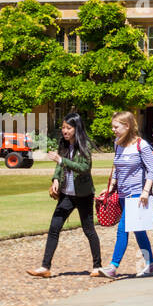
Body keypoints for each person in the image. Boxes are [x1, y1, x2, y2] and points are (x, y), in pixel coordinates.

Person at [27, 112, 104, 278]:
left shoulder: (84, 147)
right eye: (63, 127)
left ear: (76, 128)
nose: (65, 131)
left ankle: (98, 266)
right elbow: (59, 167)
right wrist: (55, 179)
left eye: (68, 128)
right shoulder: (63, 144)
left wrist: (61, 161)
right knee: (54, 228)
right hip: (67, 195)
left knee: (89, 230)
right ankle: (45, 267)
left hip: (83, 195)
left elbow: (84, 168)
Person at [100, 111, 153, 278]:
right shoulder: (117, 144)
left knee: (122, 229)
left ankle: (113, 266)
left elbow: (151, 171)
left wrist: (145, 192)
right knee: (139, 231)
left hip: (137, 194)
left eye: (116, 126)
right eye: (113, 126)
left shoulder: (141, 145)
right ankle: (150, 263)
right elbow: (117, 168)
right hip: (123, 194)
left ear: (127, 126)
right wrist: (111, 187)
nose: (113, 129)